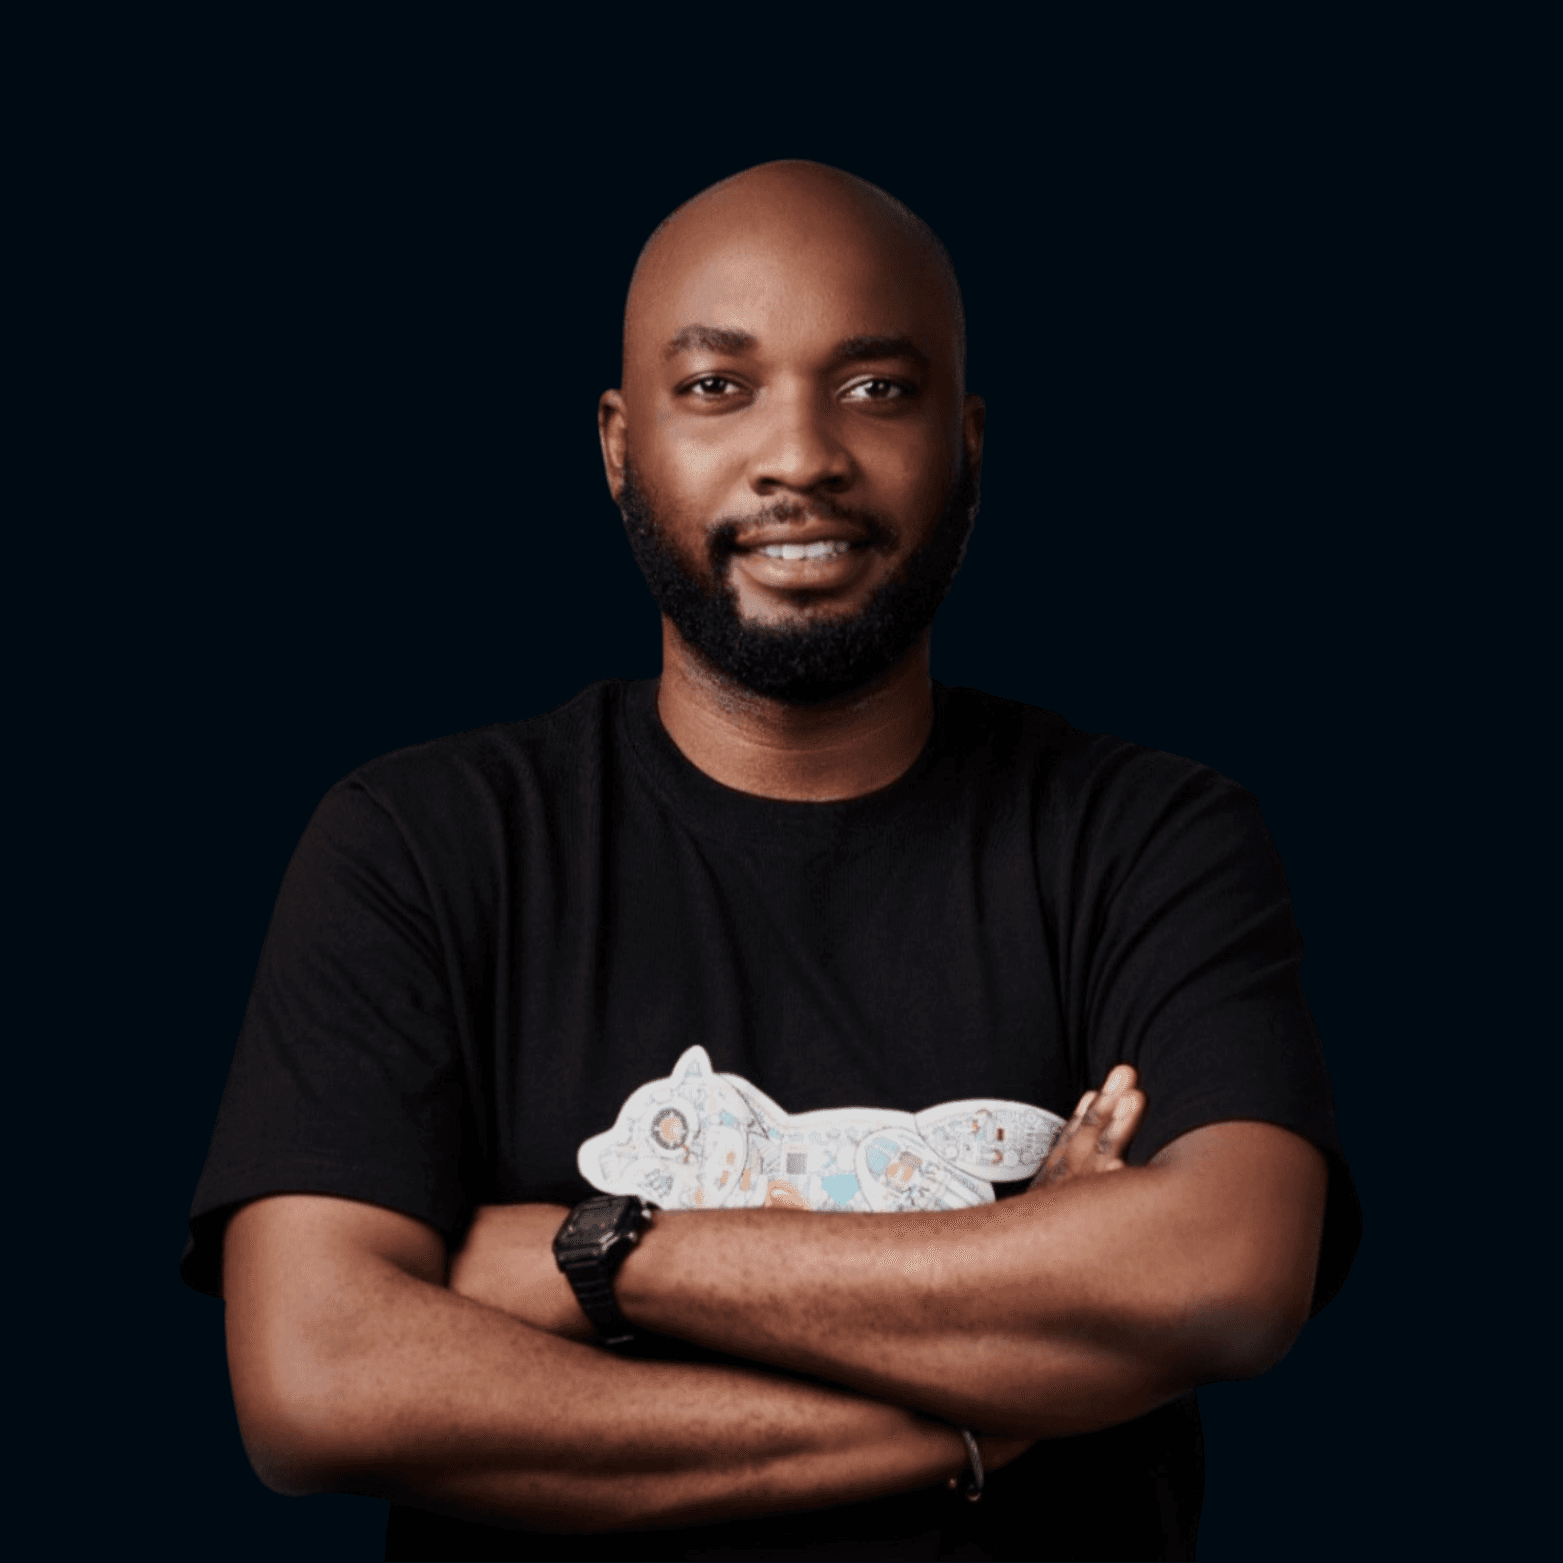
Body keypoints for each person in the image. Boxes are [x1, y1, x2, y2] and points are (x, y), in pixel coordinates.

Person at [183, 161, 1359, 1562]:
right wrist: (958, 1414)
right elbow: (323, 1385)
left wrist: (603, 1255)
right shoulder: (423, 843)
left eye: (876, 388)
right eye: (716, 387)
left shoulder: (1146, 836)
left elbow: (1221, 1273)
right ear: (618, 443)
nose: (799, 453)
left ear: (967, 440)